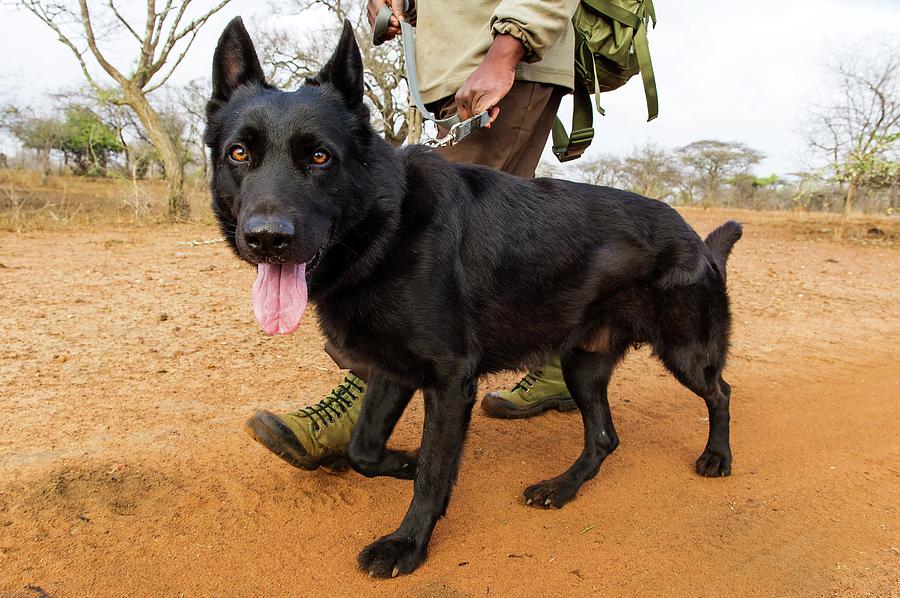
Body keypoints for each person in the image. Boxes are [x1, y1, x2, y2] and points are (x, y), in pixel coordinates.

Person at [245, 0, 581, 470]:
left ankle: (361, 415)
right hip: (449, 71)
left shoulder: (504, 54)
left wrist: (506, 50)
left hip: (503, 61)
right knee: (471, 252)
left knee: (418, 263)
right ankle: (559, 362)